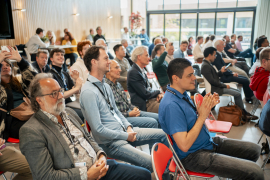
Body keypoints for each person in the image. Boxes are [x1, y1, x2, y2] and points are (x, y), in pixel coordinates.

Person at [19, 73, 151, 180]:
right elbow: (44, 176)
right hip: (79, 176)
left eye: (60, 91)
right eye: (54, 94)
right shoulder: (31, 131)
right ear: (39, 100)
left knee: (144, 175)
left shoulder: (69, 113)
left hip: (99, 166)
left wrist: (101, 156)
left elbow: (88, 137)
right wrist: (86, 175)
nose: (61, 96)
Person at [159, 58, 264, 180]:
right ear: (176, 78)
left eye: (193, 73)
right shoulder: (171, 105)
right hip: (194, 156)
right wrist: (202, 116)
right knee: (255, 172)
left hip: (206, 143)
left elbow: (190, 121)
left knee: (254, 150)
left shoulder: (182, 94)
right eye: (189, 75)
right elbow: (184, 145)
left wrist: (205, 108)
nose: (194, 77)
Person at [80, 45, 168, 173]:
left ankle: (171, 170)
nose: (109, 61)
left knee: (164, 135)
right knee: (155, 163)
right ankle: (164, 173)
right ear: (94, 62)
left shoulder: (105, 86)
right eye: (105, 58)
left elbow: (116, 112)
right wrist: (125, 135)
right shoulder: (88, 92)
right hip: (112, 142)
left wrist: (127, 126)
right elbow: (98, 130)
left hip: (123, 131)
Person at [201, 47, 256, 121]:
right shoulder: (206, 66)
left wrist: (221, 71)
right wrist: (224, 85)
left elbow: (214, 77)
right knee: (237, 94)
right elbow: (213, 82)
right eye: (214, 55)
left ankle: (242, 113)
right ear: (209, 55)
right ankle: (244, 114)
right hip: (216, 89)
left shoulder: (207, 64)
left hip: (217, 86)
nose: (215, 57)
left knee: (238, 92)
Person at [105, 60, 159, 128]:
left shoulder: (118, 84)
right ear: (108, 70)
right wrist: (128, 114)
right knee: (153, 122)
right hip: (122, 118)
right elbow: (111, 113)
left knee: (158, 117)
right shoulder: (106, 87)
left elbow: (127, 102)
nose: (120, 70)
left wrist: (134, 108)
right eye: (116, 68)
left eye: (119, 67)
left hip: (130, 111)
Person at [0, 46, 37, 140]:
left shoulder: (19, 83)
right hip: (11, 120)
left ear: (11, 68)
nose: (5, 67)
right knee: (33, 131)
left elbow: (36, 80)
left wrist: (20, 60)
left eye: (7, 65)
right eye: (1, 65)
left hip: (29, 113)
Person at [212, 40, 255, 104]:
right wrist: (231, 74)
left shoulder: (219, 54)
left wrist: (232, 73)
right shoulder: (217, 56)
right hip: (224, 77)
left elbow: (224, 67)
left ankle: (250, 96)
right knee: (245, 80)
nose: (224, 45)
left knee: (245, 78)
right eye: (222, 44)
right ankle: (249, 97)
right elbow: (221, 69)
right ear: (218, 46)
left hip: (226, 74)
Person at [49, 48, 84, 121]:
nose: (61, 56)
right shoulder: (50, 75)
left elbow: (77, 91)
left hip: (70, 103)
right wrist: (76, 88)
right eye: (57, 55)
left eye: (62, 55)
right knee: (84, 114)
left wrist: (76, 79)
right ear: (51, 59)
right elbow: (60, 95)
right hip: (60, 106)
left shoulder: (65, 73)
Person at [127, 46, 163, 113]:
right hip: (144, 105)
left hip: (149, 101)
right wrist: (158, 92)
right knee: (167, 108)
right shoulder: (133, 72)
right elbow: (145, 94)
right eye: (146, 55)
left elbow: (148, 89)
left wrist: (157, 94)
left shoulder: (141, 70)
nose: (149, 58)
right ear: (139, 57)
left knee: (170, 103)